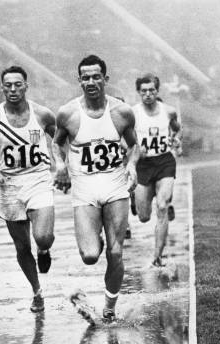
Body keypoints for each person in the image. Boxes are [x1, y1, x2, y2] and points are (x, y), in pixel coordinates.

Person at [53, 55, 139, 322]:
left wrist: (132, 166)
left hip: (114, 186)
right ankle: (96, 240)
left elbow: (134, 145)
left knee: (116, 252)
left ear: (105, 79)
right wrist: (60, 165)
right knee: (90, 255)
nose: (91, 82)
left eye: (96, 76)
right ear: (79, 80)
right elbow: (56, 144)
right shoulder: (68, 114)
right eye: (85, 77)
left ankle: (109, 307)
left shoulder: (122, 112)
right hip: (85, 190)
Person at [0, 66, 56, 313]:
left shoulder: (42, 114)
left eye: (17, 84)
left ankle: (44, 248)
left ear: (26, 86)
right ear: (2, 88)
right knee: (21, 247)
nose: (13, 89)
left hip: (38, 179)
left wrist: (61, 163)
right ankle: (37, 291)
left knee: (42, 236)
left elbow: (61, 140)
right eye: (8, 85)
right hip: (10, 186)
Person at [132, 74, 182, 267]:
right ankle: (145, 199)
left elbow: (176, 128)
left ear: (157, 91)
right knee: (144, 216)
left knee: (161, 207)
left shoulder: (168, 111)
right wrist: (135, 148)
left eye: (151, 90)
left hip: (164, 162)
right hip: (143, 165)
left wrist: (175, 139)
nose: (148, 94)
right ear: (138, 92)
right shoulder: (132, 113)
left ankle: (157, 257)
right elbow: (122, 137)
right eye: (143, 91)